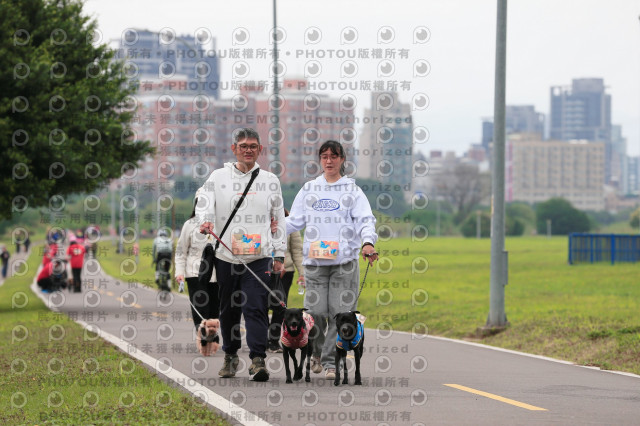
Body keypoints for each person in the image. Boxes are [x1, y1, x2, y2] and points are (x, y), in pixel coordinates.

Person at [196, 127, 286, 382]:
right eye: (243, 146)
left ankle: (258, 360)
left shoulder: (270, 180)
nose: (248, 150)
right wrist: (205, 220)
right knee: (229, 310)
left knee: (256, 307)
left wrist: (279, 255)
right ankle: (230, 355)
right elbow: (203, 198)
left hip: (259, 256)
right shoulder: (218, 176)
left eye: (253, 146)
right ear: (234, 149)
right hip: (226, 256)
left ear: (260, 150)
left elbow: (278, 218)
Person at [286, 140, 379, 380]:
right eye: (325, 156)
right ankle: (317, 352)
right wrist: (269, 228)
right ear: (320, 160)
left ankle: (331, 363)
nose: (329, 160)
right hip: (315, 263)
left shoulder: (352, 190)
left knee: (340, 313)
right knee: (315, 312)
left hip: (344, 263)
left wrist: (367, 242)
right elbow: (294, 221)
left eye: (334, 156)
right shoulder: (309, 189)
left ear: (342, 160)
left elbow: (365, 220)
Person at [175, 189, 221, 356]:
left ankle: (213, 337)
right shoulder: (190, 225)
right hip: (195, 274)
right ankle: (203, 339)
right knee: (201, 310)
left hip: (218, 275)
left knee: (215, 309)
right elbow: (181, 251)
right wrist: (179, 272)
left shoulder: (222, 223)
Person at [267, 208, 305, 353]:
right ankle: (261, 339)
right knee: (261, 305)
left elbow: (297, 250)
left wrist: (302, 273)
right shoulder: (259, 221)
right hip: (263, 270)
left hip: (286, 271)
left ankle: (274, 340)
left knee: (280, 306)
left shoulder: (290, 224)